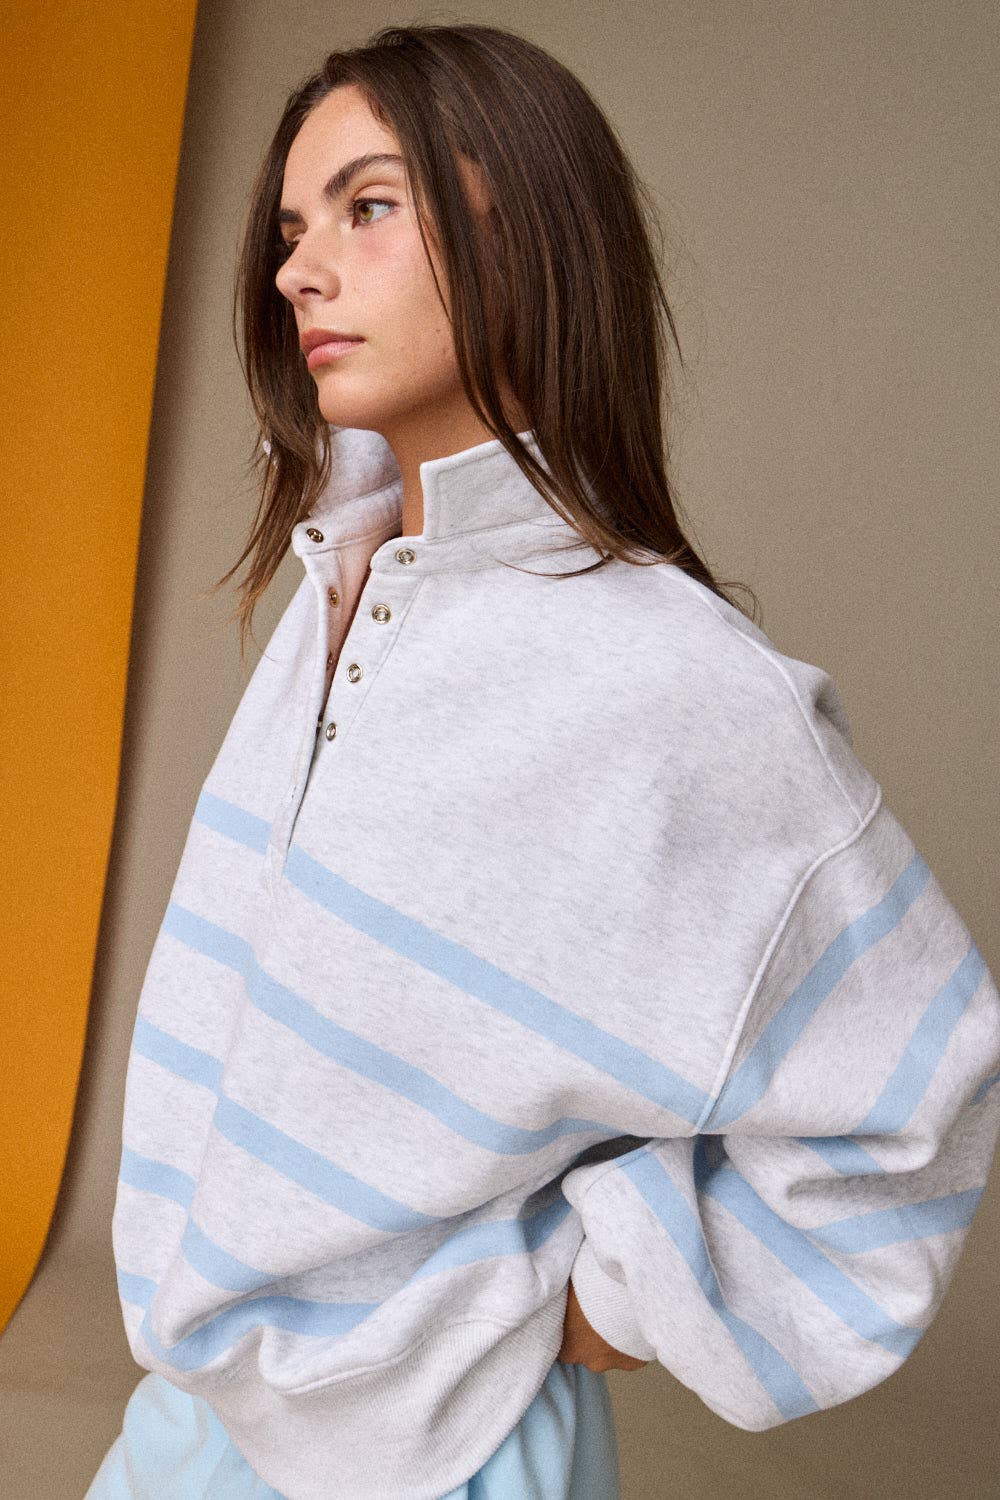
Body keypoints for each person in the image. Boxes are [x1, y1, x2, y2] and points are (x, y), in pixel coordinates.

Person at [88, 20, 1000, 1500]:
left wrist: (603, 1306)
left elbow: (913, 1096)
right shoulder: (337, 589)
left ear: (528, 227)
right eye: (293, 229)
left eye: (368, 206)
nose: (298, 269)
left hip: (445, 1446)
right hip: (206, 1405)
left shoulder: (676, 682)